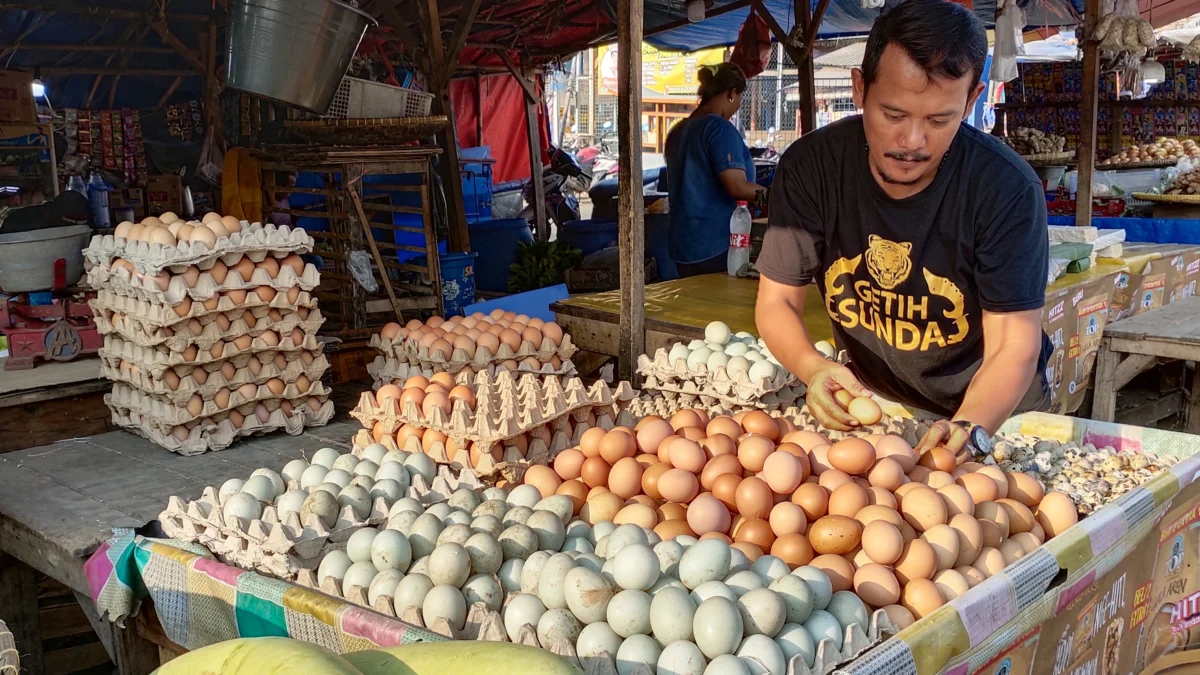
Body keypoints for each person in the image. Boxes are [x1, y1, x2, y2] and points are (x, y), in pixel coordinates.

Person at [754, 0, 1052, 455]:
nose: (912, 141)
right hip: (881, 406)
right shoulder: (812, 168)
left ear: (971, 101)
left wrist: (969, 432)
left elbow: (1013, 344)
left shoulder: (1005, 189)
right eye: (893, 115)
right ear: (859, 89)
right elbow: (776, 303)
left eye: (939, 119)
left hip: (995, 413)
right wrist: (813, 367)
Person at [664, 63, 766, 277]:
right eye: (739, 98)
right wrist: (778, 198)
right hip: (716, 246)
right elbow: (737, 186)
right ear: (731, 93)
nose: (737, 105)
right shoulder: (719, 129)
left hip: (682, 247)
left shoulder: (678, 131)